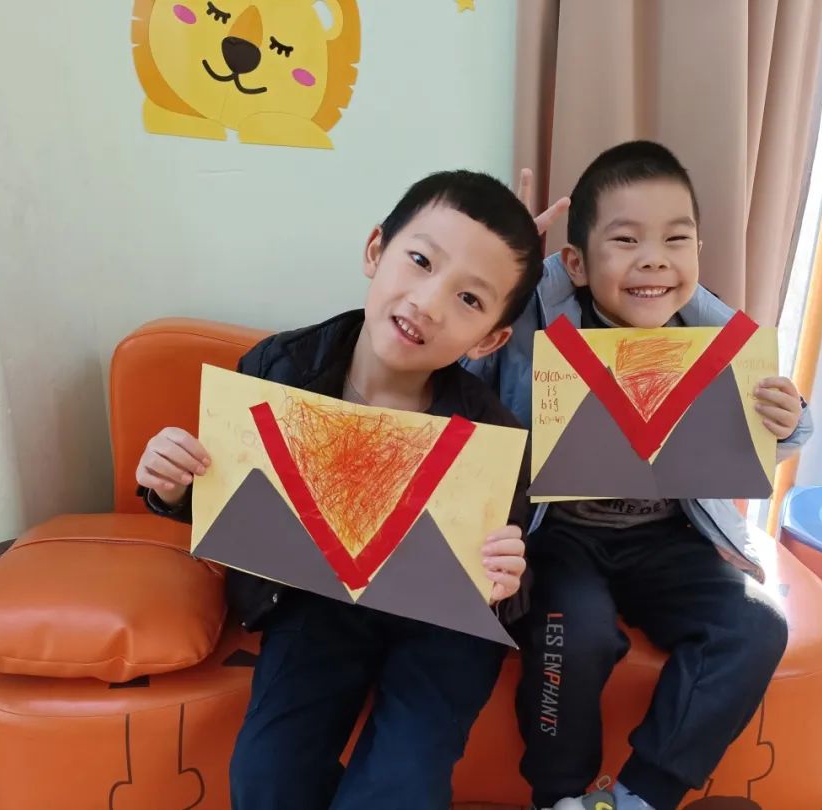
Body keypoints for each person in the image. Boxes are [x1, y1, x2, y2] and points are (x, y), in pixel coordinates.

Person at [135, 169, 546, 809]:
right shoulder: (278, 369)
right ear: (375, 250)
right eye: (420, 261)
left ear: (491, 338)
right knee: (266, 778)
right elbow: (225, 498)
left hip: (441, 627)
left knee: (402, 787)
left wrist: (506, 579)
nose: (429, 303)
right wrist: (171, 484)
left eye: (470, 299)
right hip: (317, 603)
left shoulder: (493, 435)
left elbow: (504, 586)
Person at [465, 142, 813, 810]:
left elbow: (772, 432)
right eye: (626, 240)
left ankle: (640, 797)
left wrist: (788, 417)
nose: (654, 259)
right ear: (577, 263)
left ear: (697, 252)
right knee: (574, 631)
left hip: (671, 538)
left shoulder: (717, 334)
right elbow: (463, 379)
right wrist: (505, 271)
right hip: (560, 537)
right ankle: (559, 796)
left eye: (676, 240)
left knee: (757, 626)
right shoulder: (535, 318)